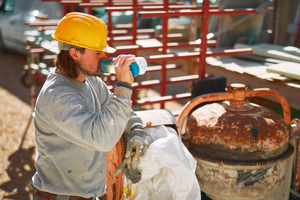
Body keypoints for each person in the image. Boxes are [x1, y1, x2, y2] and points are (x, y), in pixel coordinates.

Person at [31, 12, 149, 200]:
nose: (104, 57)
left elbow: (118, 109)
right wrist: (124, 86)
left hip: (86, 195)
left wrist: (136, 128)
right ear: (74, 53)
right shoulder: (57, 96)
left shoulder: (92, 82)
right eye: (97, 52)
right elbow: (102, 138)